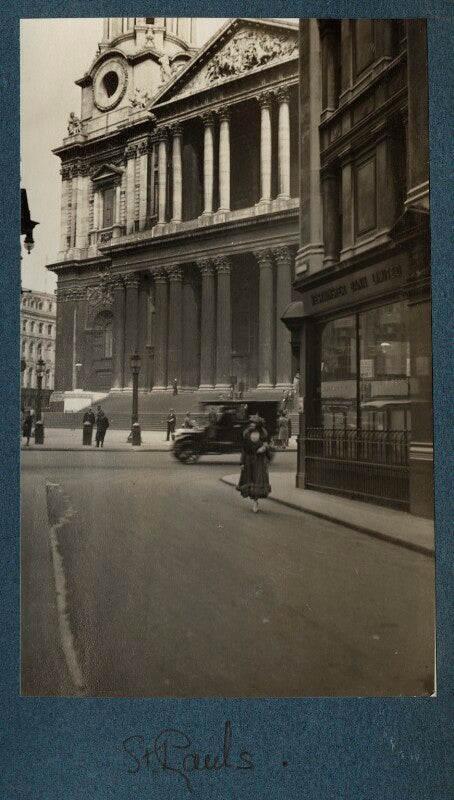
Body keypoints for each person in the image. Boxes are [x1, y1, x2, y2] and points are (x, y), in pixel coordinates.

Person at [236, 415, 272, 513]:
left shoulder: (263, 434)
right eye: (250, 423)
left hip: (259, 461)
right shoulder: (246, 434)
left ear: (258, 425)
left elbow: (267, 447)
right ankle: (254, 498)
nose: (251, 425)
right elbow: (244, 450)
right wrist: (242, 462)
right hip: (248, 460)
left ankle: (255, 502)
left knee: (257, 480)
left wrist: (264, 449)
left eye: (254, 423)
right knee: (249, 481)